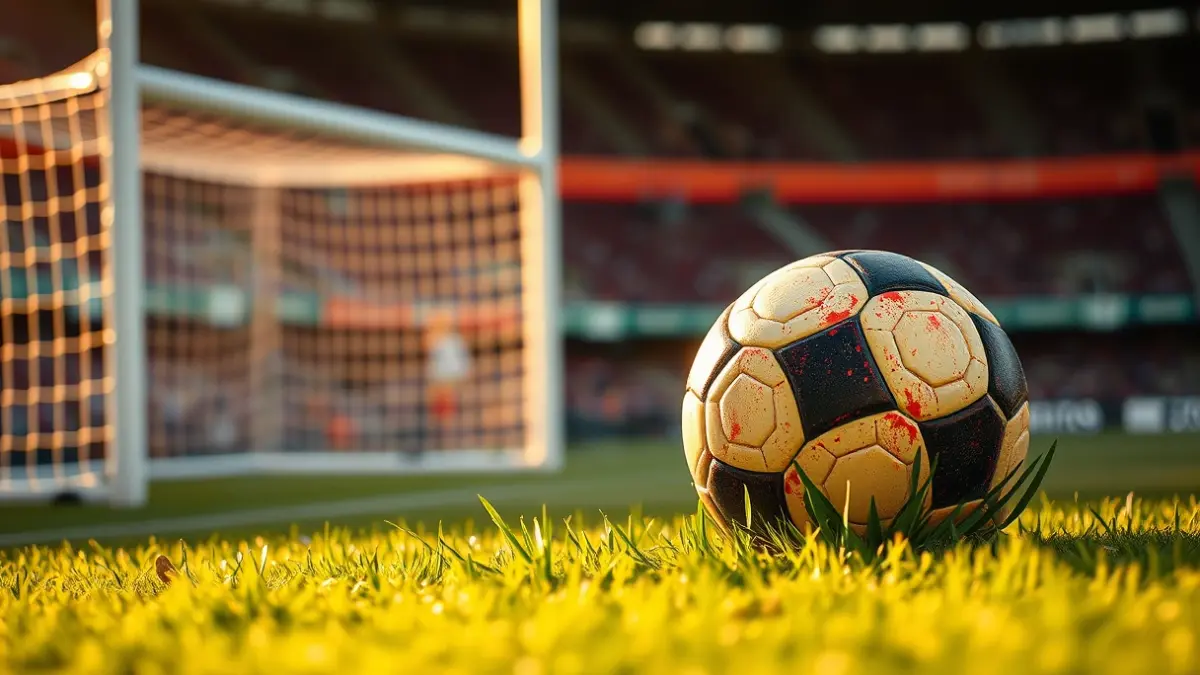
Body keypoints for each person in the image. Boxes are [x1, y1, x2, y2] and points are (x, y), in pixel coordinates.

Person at [423, 311, 471, 453]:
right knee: (436, 412)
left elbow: (463, 362)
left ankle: (449, 445)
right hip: (438, 380)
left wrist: (461, 377)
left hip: (450, 379)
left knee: (448, 414)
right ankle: (437, 444)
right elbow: (431, 360)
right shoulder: (436, 340)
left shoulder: (454, 341)